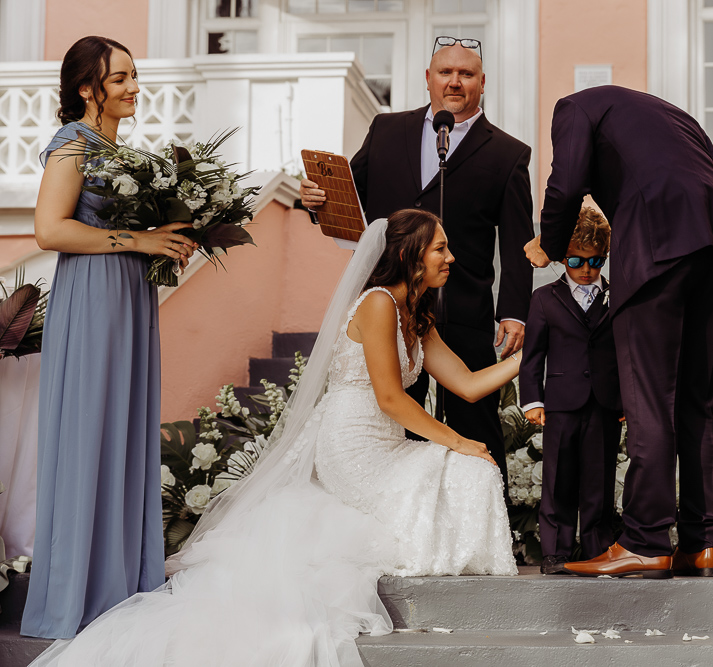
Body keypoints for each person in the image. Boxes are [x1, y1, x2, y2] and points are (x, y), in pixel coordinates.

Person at [28, 209, 519, 666]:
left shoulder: (416, 315)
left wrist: (534, 352)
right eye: (440, 248)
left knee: (472, 468)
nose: (450, 257)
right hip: (353, 446)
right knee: (464, 462)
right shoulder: (377, 305)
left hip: (389, 444)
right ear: (410, 255)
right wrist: (454, 441)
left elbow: (469, 385)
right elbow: (390, 398)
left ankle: (434, 553)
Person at [524, 85, 713, 579]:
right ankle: (701, 544)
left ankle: (645, 540)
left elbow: (565, 185)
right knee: (697, 399)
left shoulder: (575, 106)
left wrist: (549, 242)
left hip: (656, 250)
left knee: (650, 397)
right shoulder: (677, 117)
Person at [300, 36, 534, 489]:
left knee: (477, 423)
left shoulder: (509, 154)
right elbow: (352, 195)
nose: (454, 81)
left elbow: (518, 242)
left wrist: (514, 311)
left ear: (482, 83)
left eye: (466, 74)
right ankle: (410, 520)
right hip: (393, 305)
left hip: (464, 309)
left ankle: (493, 529)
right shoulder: (387, 129)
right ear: (428, 79)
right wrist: (316, 200)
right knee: (399, 427)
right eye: (445, 72)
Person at [22, 36, 197, 640]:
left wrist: (171, 233)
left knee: (122, 431)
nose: (133, 87)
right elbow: (50, 230)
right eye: (119, 78)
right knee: (88, 431)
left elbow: (117, 225)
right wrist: (142, 241)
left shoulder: (122, 152)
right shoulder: (73, 143)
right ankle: (76, 595)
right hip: (92, 298)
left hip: (127, 295)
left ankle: (120, 583)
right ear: (86, 89)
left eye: (133, 76)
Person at [519, 207, 622, 575]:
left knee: (599, 479)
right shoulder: (545, 298)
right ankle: (556, 552)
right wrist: (532, 399)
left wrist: (625, 399)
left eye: (596, 261)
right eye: (577, 259)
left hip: (606, 402)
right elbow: (533, 355)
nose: (586, 269)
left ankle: (597, 548)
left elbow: (624, 353)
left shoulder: (617, 296)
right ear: (564, 257)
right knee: (558, 478)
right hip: (561, 402)